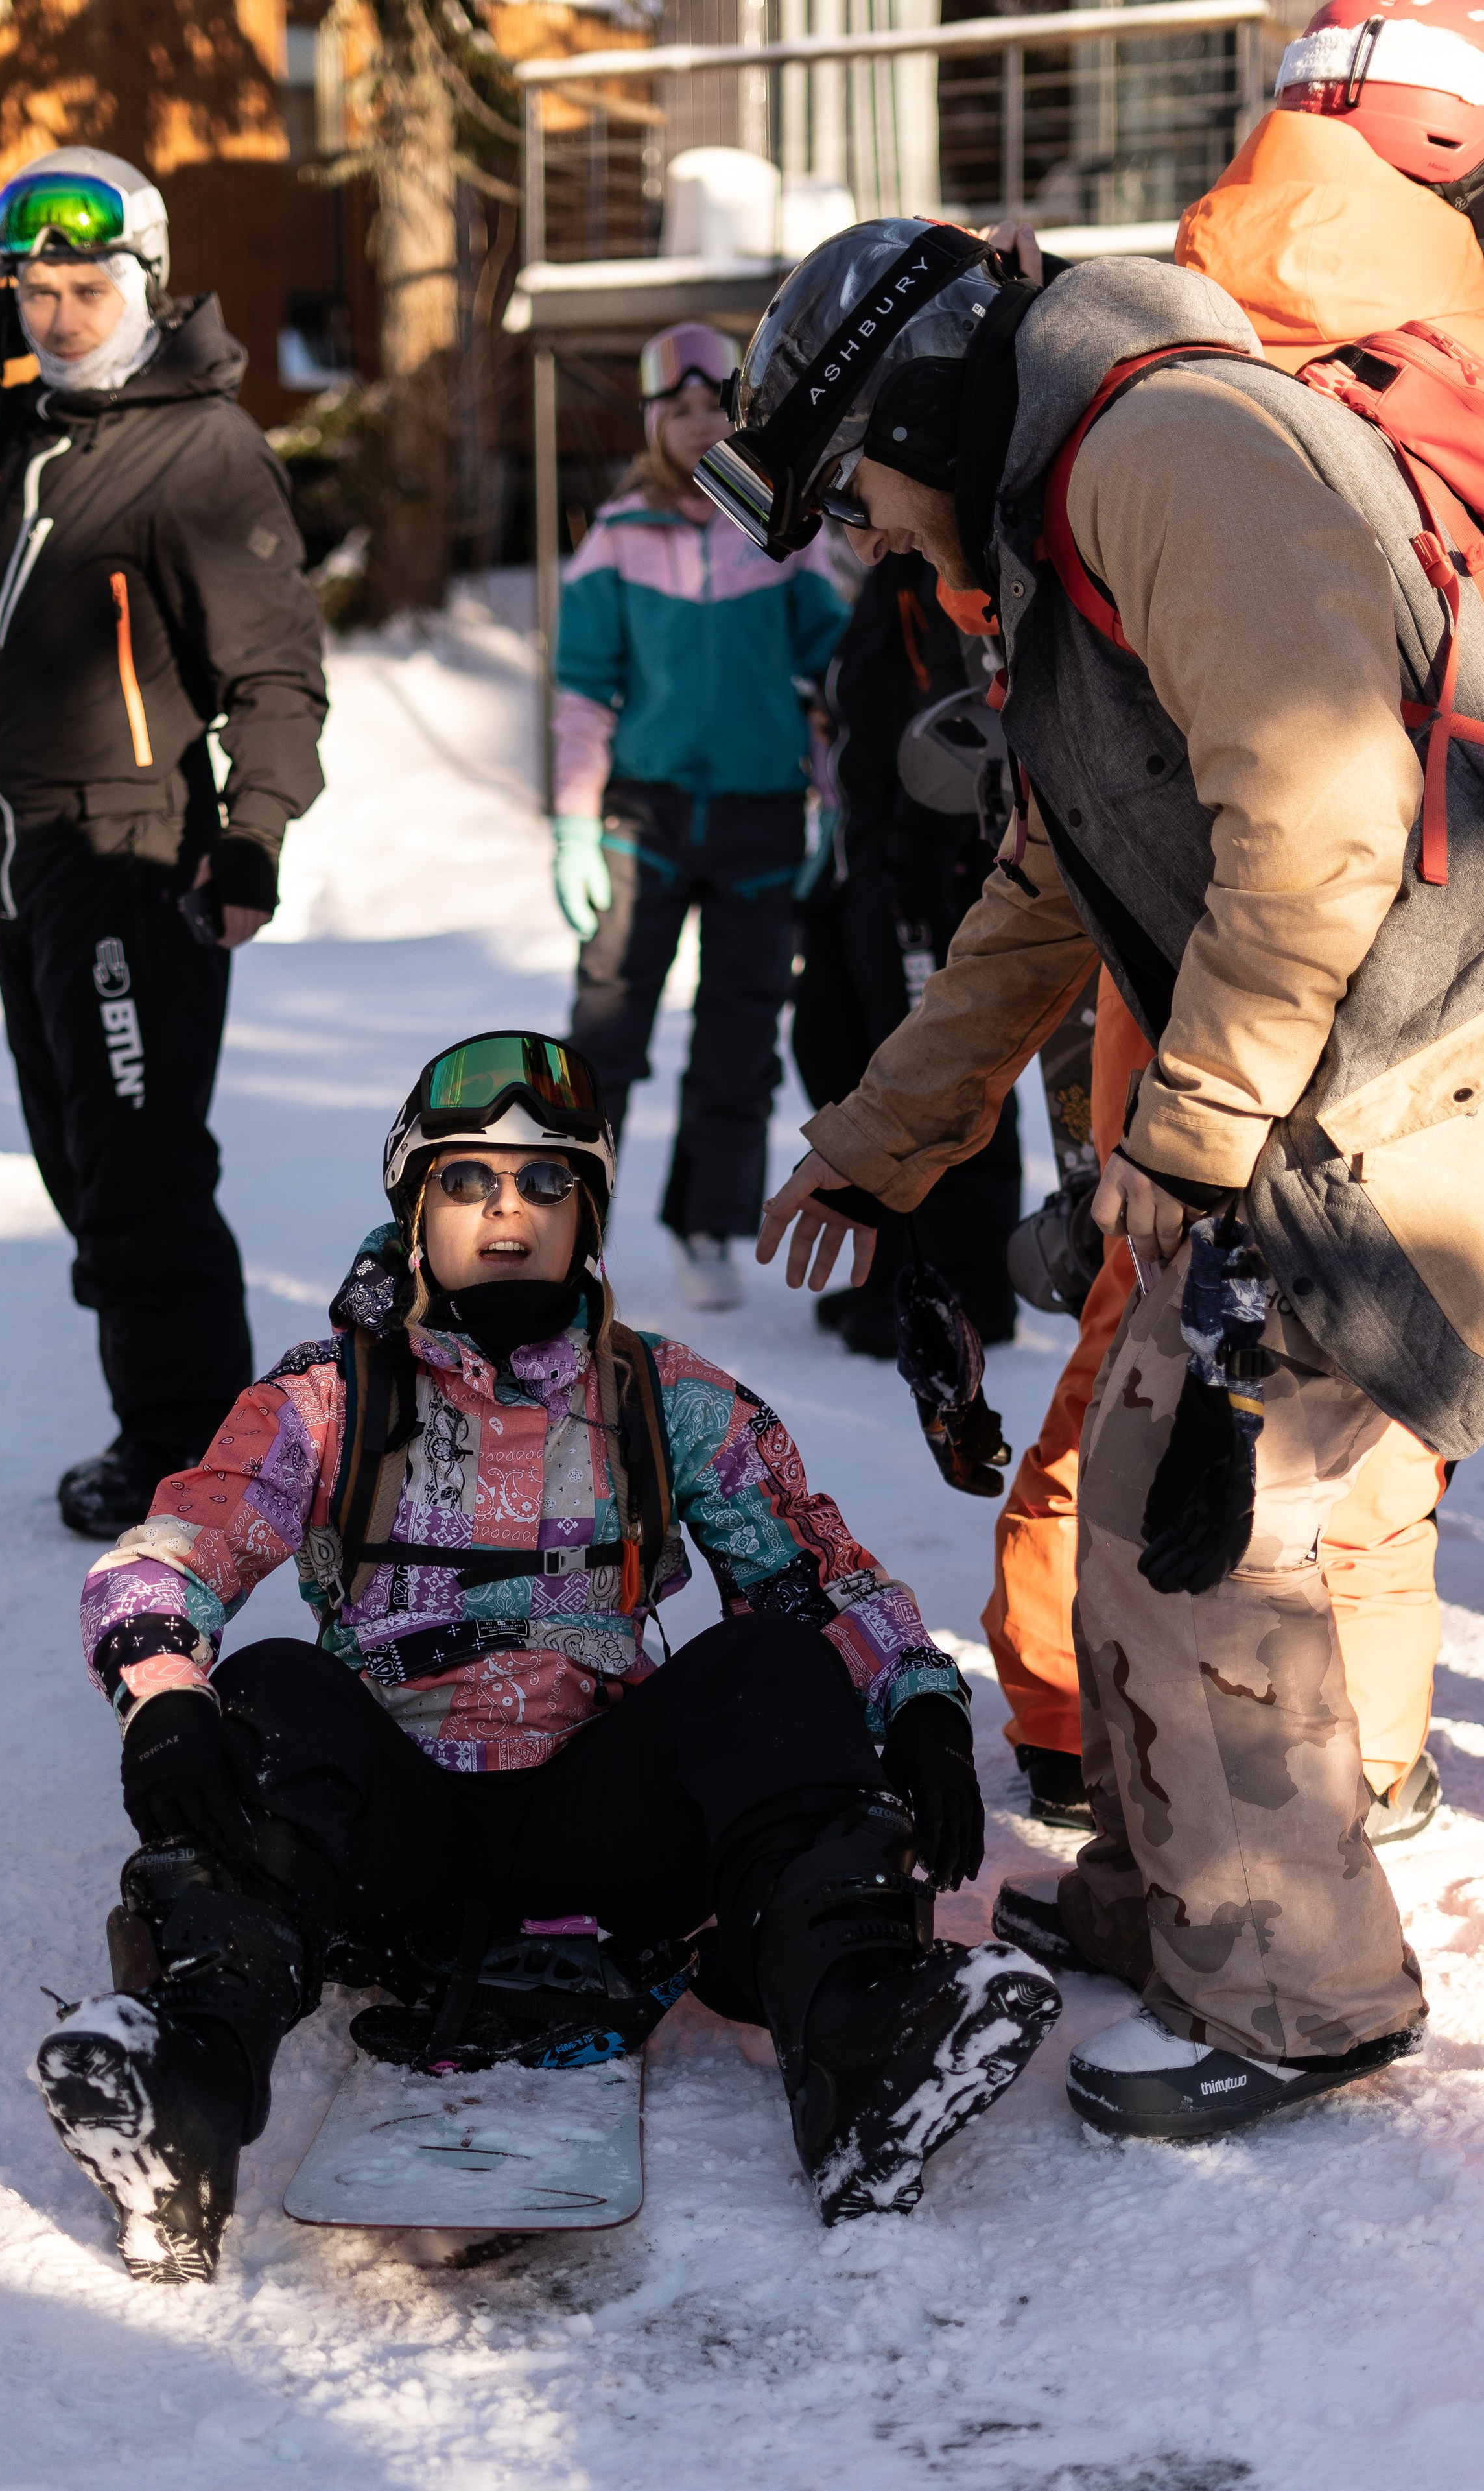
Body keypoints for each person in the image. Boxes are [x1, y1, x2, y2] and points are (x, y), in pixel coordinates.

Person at [708, 215, 1470, 2141]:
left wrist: (1185, 1131)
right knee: (1137, 1505)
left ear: (919, 397)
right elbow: (1054, 883)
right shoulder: (1061, 523)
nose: (864, 532)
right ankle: (1180, 1904)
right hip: (1320, 1095)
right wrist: (884, 1141)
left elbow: (1314, 819)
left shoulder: (1169, 451)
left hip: (1406, 1086)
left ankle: (1298, 1994)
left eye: (853, 486)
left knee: (1224, 1541)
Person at [32, 1029, 1059, 2280]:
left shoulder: (666, 1398)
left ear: (591, 1214)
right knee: (267, 1690)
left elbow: (820, 1574)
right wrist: (162, 1698)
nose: (507, 1211)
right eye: (468, 1181)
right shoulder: (324, 1399)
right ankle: (190, 2088)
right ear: (417, 1208)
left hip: (606, 1835)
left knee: (774, 1665)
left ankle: (858, 2051)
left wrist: (924, 1709)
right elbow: (175, 1547)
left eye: (545, 1182)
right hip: (396, 1844)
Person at [984, 26, 1484, 1844]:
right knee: (1372, 1403)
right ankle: (1364, 1760)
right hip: (1445, 986)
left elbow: (1108, 763)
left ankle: (1094, 1737)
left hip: (1220, 957)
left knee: (1173, 1353)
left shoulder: (1172, 347)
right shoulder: (1452, 358)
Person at [0, 147, 327, 1538]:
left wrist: (252, 835)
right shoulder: (21, 432)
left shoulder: (202, 449)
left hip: (133, 855)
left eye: (84, 284)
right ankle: (185, 1432)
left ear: (150, 282)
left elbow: (276, 674)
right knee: (79, 1155)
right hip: (30, 856)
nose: (57, 313)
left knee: (139, 1169)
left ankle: (197, 1465)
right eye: (34, 289)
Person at [552, 324, 851, 1311]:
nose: (696, 425)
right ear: (650, 421)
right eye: (676, 409)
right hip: (648, 813)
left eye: (714, 407)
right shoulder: (617, 534)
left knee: (739, 1029)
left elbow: (831, 675)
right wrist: (572, 822)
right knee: (607, 1029)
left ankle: (708, 1226)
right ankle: (563, 1224)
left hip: (764, 815)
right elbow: (585, 691)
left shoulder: (781, 529)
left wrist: (831, 803)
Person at [794, 549, 1020, 1356]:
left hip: (926, 867)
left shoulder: (942, 568)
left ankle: (963, 1285)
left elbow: (966, 721)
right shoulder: (884, 575)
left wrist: (925, 860)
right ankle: (891, 1260)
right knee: (832, 1041)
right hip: (859, 858)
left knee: (937, 1064)